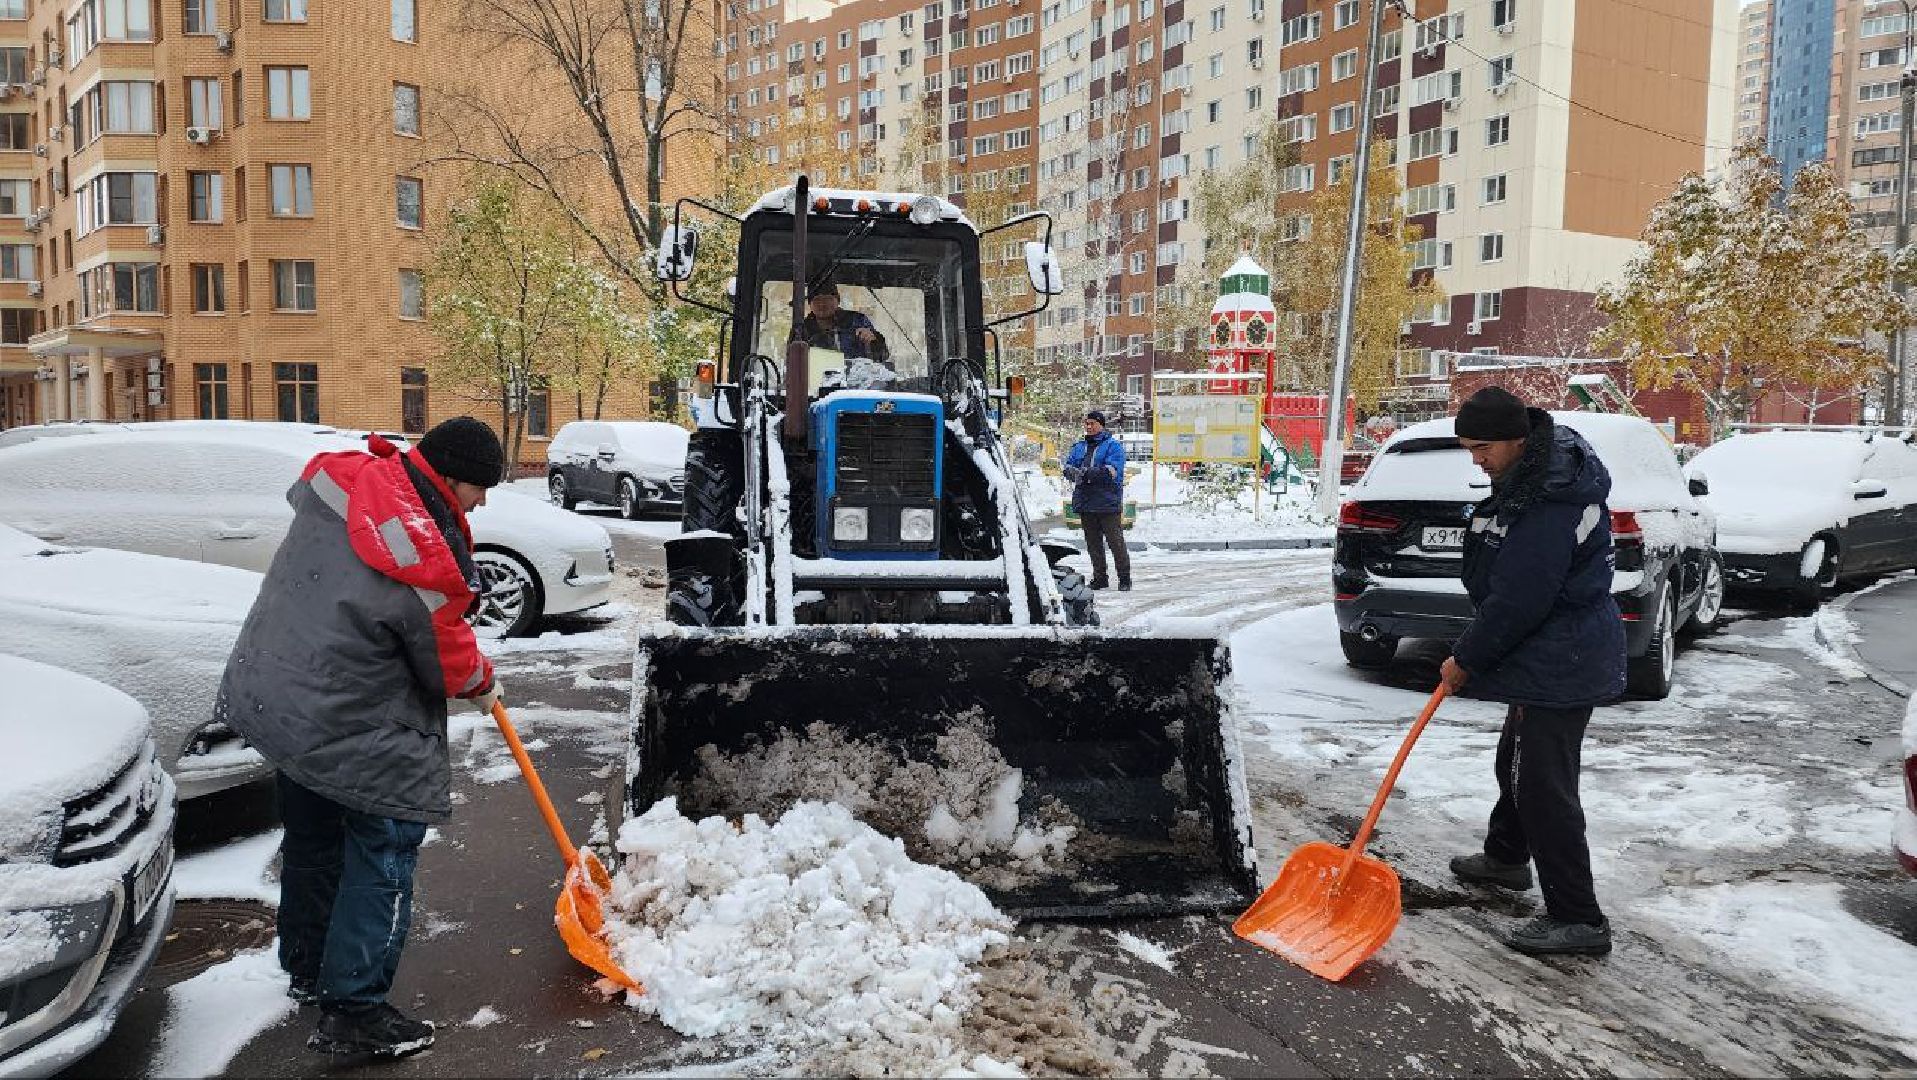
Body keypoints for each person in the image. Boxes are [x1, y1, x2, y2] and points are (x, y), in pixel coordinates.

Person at [215, 416, 508, 1057]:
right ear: (449, 476)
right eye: (478, 488)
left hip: (287, 692)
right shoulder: (418, 545)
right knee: (386, 850)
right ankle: (355, 1014)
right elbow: (446, 657)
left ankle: (308, 967)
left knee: (315, 835)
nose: (482, 501)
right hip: (350, 712)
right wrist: (482, 681)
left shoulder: (357, 481)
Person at [1438, 387, 1626, 957]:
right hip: (1548, 653)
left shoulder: (1552, 502)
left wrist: (1466, 659)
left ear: (1518, 440)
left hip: (1563, 657)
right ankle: (1506, 858)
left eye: (1482, 447)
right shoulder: (1533, 478)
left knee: (1543, 786)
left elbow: (1522, 599)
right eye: (1468, 448)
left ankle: (1579, 917)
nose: (1476, 459)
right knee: (1515, 762)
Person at [1063, 410, 1131, 591]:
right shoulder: (1079, 446)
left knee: (1115, 542)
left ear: (1101, 425)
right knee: (1093, 544)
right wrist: (1070, 471)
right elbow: (1069, 465)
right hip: (1086, 503)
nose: (1089, 426)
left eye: (1092, 423)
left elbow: (1112, 471)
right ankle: (1100, 578)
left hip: (1107, 503)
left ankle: (1124, 578)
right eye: (1086, 423)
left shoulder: (1113, 447)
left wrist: (1085, 473)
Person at [801, 282, 888, 361]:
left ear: (837, 300)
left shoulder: (858, 320)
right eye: (817, 300)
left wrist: (873, 342)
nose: (822, 304)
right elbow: (794, 362)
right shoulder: (802, 329)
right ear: (810, 304)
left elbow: (882, 357)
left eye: (828, 299)